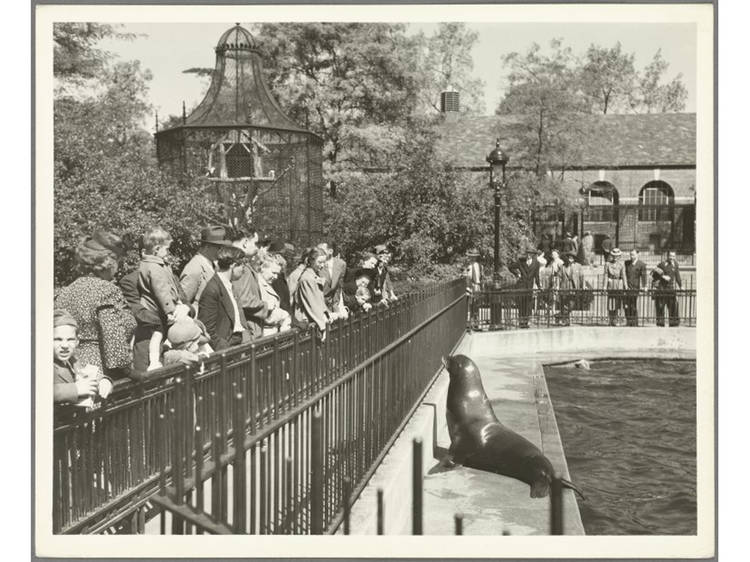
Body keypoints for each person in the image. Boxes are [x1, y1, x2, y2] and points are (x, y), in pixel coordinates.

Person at [55, 231, 136, 380]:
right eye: (118, 261)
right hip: (100, 373)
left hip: (69, 370)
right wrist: (127, 372)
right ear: (108, 262)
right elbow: (112, 335)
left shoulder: (65, 292)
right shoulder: (106, 290)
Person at [136, 227, 191, 371]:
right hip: (154, 309)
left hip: (159, 307)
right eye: (166, 249)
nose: (168, 252)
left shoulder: (156, 264)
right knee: (158, 334)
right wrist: (170, 310)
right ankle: (154, 361)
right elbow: (161, 291)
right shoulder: (154, 267)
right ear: (157, 249)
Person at [54, 309, 113, 408]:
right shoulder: (42, 363)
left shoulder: (73, 360)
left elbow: (85, 374)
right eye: (58, 339)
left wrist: (103, 381)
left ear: (77, 342)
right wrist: (76, 389)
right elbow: (39, 391)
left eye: (70, 339)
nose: (65, 345)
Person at [198, 245, 250, 350]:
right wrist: (224, 349)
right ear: (233, 265)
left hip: (237, 342)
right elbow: (207, 328)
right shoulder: (213, 289)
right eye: (242, 267)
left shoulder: (229, 285)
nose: (243, 271)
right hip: (226, 347)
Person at [229, 228, 269, 339]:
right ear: (246, 242)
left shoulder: (241, 263)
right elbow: (243, 299)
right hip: (247, 331)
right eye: (256, 243)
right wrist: (267, 306)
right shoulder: (238, 266)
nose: (258, 248)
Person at [180, 226, 232, 306]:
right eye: (218, 247)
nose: (221, 251)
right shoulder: (194, 268)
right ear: (207, 247)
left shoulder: (212, 264)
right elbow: (183, 302)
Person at [292, 247, 334, 340]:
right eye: (320, 262)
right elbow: (312, 304)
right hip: (308, 323)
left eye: (324, 262)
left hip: (314, 323)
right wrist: (323, 325)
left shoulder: (314, 276)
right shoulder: (307, 278)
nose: (322, 265)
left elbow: (319, 302)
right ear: (311, 261)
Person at [257, 254, 292, 336]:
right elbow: (265, 313)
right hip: (265, 333)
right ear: (263, 268)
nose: (276, 277)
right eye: (273, 273)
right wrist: (284, 315)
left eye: (277, 274)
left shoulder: (268, 284)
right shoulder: (258, 285)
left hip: (273, 331)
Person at [509, 247, 541, 328]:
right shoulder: (521, 261)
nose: (529, 255)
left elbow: (537, 276)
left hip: (529, 287)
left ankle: (525, 322)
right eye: (528, 253)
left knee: (528, 305)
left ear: (534, 255)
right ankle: (521, 322)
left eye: (531, 253)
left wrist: (539, 286)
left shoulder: (536, 263)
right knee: (521, 304)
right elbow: (510, 267)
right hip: (521, 285)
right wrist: (517, 274)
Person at [652, 250, 682, 327]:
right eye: (670, 256)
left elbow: (677, 276)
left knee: (673, 307)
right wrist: (663, 276)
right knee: (660, 307)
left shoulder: (675, 264)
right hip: (661, 289)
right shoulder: (662, 264)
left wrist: (681, 286)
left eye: (673, 256)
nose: (672, 258)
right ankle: (660, 324)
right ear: (667, 256)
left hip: (671, 289)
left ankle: (673, 324)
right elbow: (653, 273)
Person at [318, 241, 348, 319]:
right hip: (320, 308)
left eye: (322, 250)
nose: (318, 253)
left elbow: (339, 288)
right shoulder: (318, 266)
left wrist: (338, 308)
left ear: (330, 251)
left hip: (334, 307)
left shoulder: (341, 264)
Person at [556, 251, 584, 326]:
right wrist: (558, 286)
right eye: (569, 257)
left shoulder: (578, 266)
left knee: (571, 304)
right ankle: (566, 320)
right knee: (565, 303)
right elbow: (559, 277)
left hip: (573, 287)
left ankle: (560, 315)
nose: (570, 259)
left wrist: (582, 286)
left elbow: (581, 277)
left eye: (572, 258)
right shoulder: (562, 266)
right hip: (564, 287)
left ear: (574, 259)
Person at [604, 248, 628, 326]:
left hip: (618, 284)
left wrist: (625, 285)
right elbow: (605, 275)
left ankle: (616, 320)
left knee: (618, 303)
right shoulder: (607, 264)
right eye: (614, 256)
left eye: (617, 256)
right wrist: (604, 286)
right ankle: (611, 320)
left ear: (619, 256)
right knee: (611, 303)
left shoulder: (621, 265)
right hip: (611, 284)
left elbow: (623, 275)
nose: (615, 257)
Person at [624, 248, 648, 326]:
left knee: (633, 305)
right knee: (626, 305)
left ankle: (634, 322)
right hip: (627, 287)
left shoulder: (641, 264)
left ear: (637, 254)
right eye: (630, 254)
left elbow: (644, 276)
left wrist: (644, 286)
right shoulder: (626, 263)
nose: (631, 256)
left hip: (635, 288)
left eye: (633, 254)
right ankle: (628, 321)